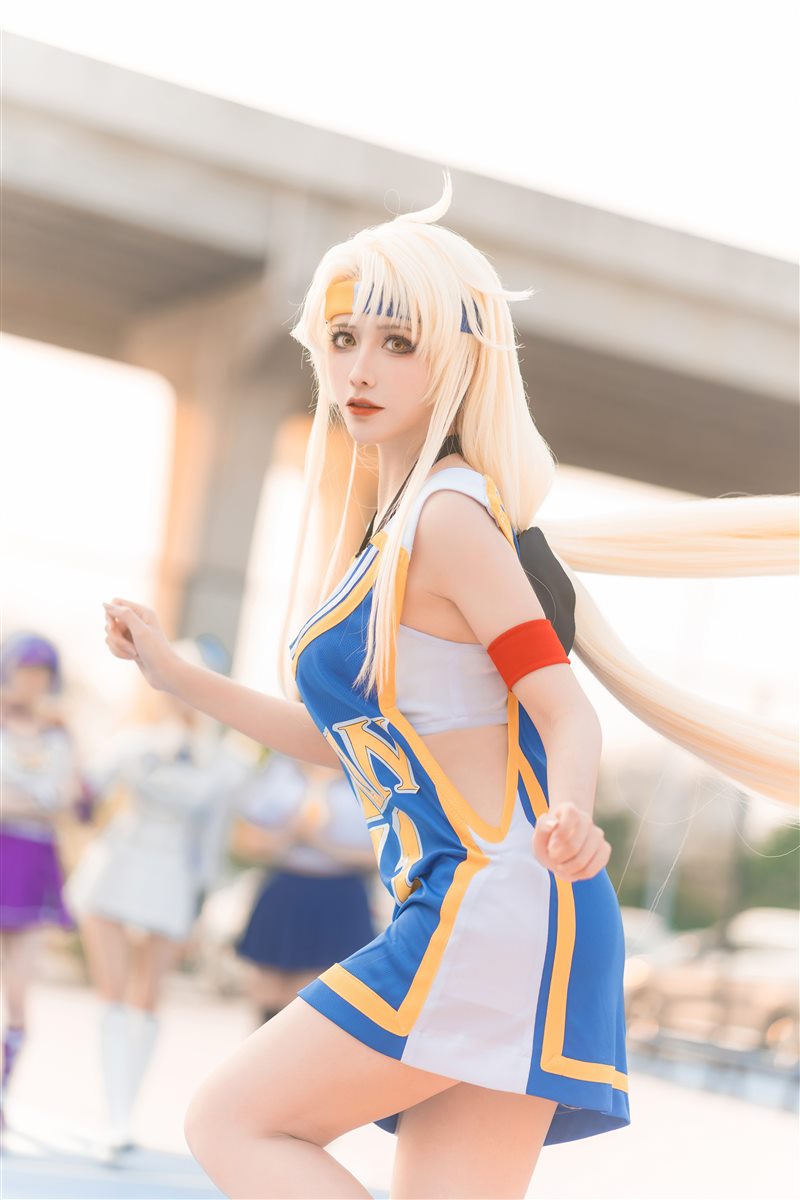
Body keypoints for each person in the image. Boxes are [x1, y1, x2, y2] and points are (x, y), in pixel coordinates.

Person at [101, 173, 797, 1199]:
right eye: (343, 339)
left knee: (231, 1121)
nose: (361, 367)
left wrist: (569, 812)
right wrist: (172, 674)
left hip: (494, 901)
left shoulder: (447, 517)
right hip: (494, 909)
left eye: (399, 341)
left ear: (460, 360)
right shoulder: (395, 534)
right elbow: (340, 743)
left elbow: (562, 706)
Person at [64, 638, 250, 1152]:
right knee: (111, 993)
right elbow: (85, 794)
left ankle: (125, 1113)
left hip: (172, 875)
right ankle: (112, 1115)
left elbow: (212, 840)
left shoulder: (224, 762)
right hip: (118, 863)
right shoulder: (133, 741)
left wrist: (200, 902)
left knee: (147, 997)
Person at [0, 633, 80, 1128]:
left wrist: (24, 802)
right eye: (25, 671)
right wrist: (35, 801)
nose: (32, 682)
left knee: (19, 991)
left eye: (41, 674)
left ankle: (2, 1096)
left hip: (33, 863)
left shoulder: (59, 735)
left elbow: (67, 799)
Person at [234, 753, 376, 1027]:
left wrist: (326, 846)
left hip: (341, 894)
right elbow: (245, 839)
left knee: (314, 997)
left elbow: (385, 856)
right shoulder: (282, 768)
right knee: (266, 992)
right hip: (287, 888)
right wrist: (287, 835)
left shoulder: (365, 771)